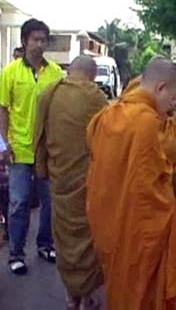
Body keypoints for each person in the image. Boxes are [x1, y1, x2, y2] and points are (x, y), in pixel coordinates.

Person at [86, 56, 176, 310]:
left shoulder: (106, 115)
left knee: (122, 291)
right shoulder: (145, 123)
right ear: (161, 87)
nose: (172, 108)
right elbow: (149, 196)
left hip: (110, 227)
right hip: (138, 234)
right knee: (142, 298)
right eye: (173, 99)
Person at [34, 56, 108, 309]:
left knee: (64, 239)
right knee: (88, 238)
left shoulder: (49, 93)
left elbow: (40, 135)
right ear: (92, 74)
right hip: (88, 180)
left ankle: (71, 295)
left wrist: (42, 167)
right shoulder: (96, 96)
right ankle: (86, 297)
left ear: (70, 71)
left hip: (61, 178)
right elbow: (107, 140)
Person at [0, 18, 64, 275]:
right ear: (25, 41)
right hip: (18, 149)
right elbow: (2, 110)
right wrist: (3, 144)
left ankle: (45, 244)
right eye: (35, 39)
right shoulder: (10, 72)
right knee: (19, 202)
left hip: (47, 150)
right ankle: (16, 253)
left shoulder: (57, 74)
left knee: (49, 202)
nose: (39, 44)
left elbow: (62, 111)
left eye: (43, 39)